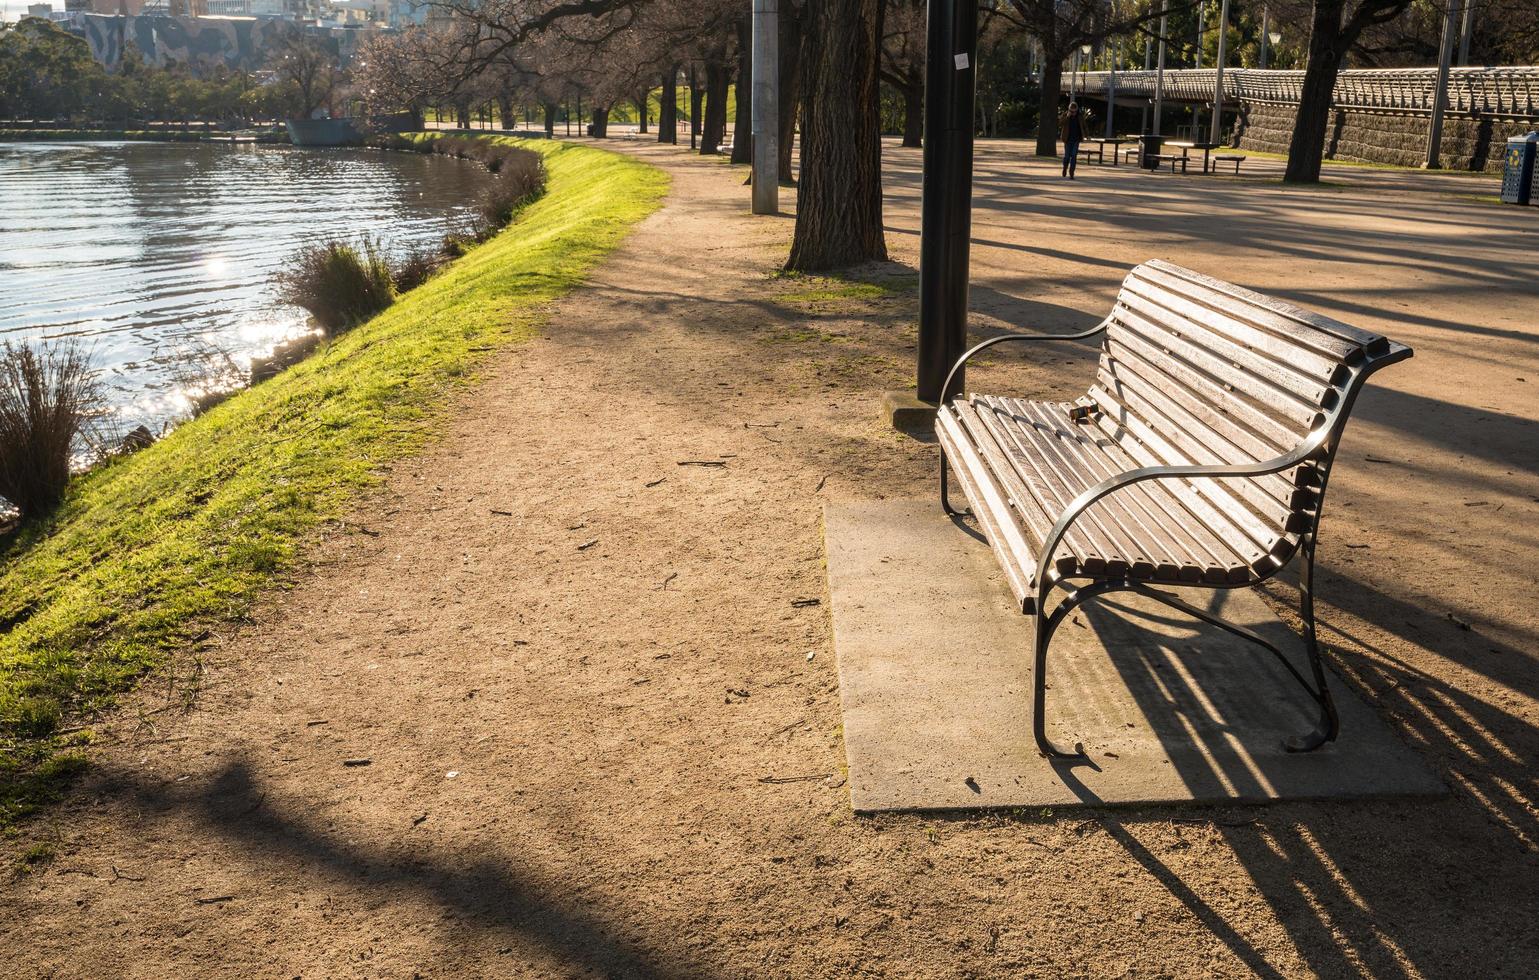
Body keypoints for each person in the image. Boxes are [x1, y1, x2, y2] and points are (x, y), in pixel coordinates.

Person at [1058, 102, 1090, 179]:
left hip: (1076, 139)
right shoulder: (1065, 115)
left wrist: (1087, 135)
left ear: (1077, 110)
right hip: (1067, 139)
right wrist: (1067, 117)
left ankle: (1072, 172)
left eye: (1075, 111)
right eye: (1071, 111)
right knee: (1067, 157)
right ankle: (1065, 168)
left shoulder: (1080, 116)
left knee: (1074, 156)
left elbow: (1084, 126)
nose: (1073, 113)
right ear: (1069, 110)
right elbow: (1060, 124)